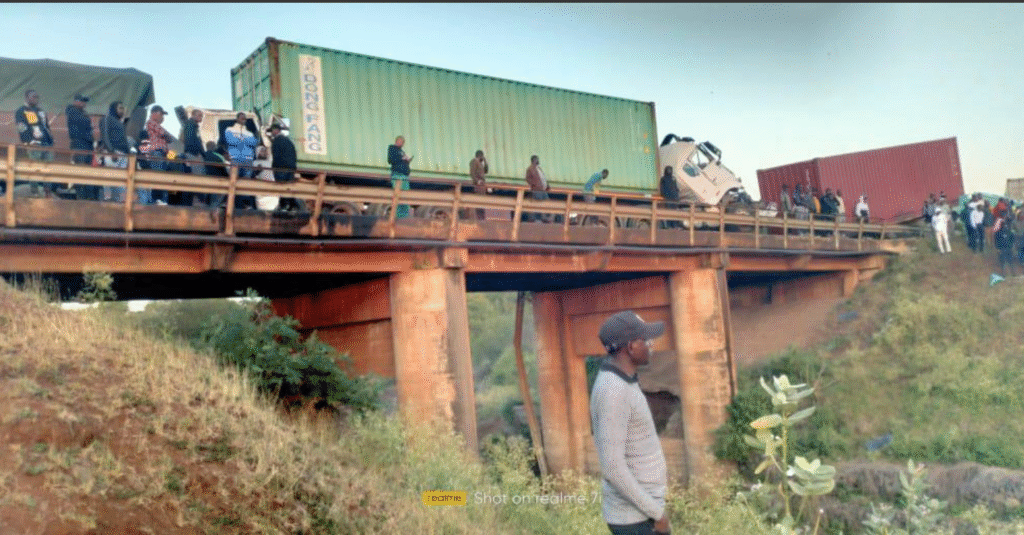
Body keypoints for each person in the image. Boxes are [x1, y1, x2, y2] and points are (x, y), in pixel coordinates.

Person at [590, 311, 671, 535]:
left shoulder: (623, 380)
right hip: (635, 521)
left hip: (641, 515)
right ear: (631, 347)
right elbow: (613, 468)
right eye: (646, 340)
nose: (651, 345)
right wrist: (657, 514)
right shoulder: (613, 391)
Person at [15, 89, 56, 195]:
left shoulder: (40, 111)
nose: (35, 99)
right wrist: (29, 141)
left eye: (36, 97)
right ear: (27, 98)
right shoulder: (23, 110)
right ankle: (35, 193)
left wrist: (50, 138)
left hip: (47, 144)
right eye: (33, 96)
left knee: (48, 169)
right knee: (35, 169)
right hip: (34, 145)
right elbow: (22, 128)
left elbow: (45, 126)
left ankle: (48, 192)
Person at [66, 93, 100, 200]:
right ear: (76, 101)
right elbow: (83, 123)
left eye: (84, 101)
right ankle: (81, 198)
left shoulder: (82, 113)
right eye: (82, 101)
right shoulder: (72, 111)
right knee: (81, 172)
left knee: (88, 173)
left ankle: (88, 197)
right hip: (79, 145)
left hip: (87, 144)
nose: (84, 103)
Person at [139, 105, 174, 205]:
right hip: (156, 152)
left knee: (162, 177)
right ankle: (157, 200)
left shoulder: (157, 125)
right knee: (158, 177)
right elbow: (166, 135)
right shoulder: (151, 123)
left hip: (162, 154)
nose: (163, 117)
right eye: (161, 114)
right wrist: (166, 136)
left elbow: (169, 139)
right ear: (154, 113)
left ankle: (161, 200)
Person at [98, 101, 130, 202]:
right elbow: (105, 135)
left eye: (123, 108)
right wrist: (111, 151)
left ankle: (121, 203)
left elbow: (124, 139)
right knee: (109, 179)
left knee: (122, 180)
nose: (122, 110)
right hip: (113, 153)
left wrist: (128, 154)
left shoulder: (120, 122)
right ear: (114, 108)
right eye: (120, 108)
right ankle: (107, 201)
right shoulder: (106, 118)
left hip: (123, 154)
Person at [268, 123, 300, 211]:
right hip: (291, 168)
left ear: (276, 130)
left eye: (272, 130)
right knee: (289, 187)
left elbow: (276, 156)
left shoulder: (277, 141)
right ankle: (293, 206)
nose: (272, 132)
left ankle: (283, 206)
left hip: (281, 168)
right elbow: (294, 154)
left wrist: (274, 168)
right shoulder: (288, 141)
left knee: (281, 187)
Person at [225, 112, 260, 179]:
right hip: (235, 158)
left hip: (248, 159)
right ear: (237, 119)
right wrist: (246, 140)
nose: (244, 119)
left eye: (245, 118)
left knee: (246, 182)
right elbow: (231, 141)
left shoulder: (250, 133)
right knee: (234, 179)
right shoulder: (229, 129)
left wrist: (240, 139)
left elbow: (254, 143)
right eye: (242, 117)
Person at [387, 135, 413, 219]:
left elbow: (402, 160)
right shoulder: (392, 148)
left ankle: (404, 217)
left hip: (404, 175)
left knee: (405, 196)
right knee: (397, 195)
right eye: (399, 141)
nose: (400, 143)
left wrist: (407, 160)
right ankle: (397, 216)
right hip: (397, 174)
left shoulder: (401, 151)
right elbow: (391, 160)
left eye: (402, 142)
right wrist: (402, 158)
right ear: (396, 141)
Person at [524, 155, 551, 223]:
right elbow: (528, 179)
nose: (538, 161)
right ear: (533, 160)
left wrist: (546, 184)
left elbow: (543, 178)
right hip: (537, 189)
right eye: (536, 159)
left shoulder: (539, 168)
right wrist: (534, 184)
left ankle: (546, 218)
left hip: (543, 189)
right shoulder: (530, 169)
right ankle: (538, 219)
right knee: (538, 203)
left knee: (547, 202)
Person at [252, 145, 279, 211]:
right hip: (261, 189)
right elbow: (255, 174)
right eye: (261, 151)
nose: (263, 153)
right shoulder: (255, 162)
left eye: (264, 151)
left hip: (271, 187)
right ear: (258, 153)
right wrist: (258, 170)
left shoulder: (270, 161)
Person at [469, 149, 489, 220]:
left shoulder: (480, 163)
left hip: (482, 185)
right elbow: (472, 173)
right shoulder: (474, 162)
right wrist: (477, 181)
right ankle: (479, 218)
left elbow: (486, 171)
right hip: (478, 184)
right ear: (479, 156)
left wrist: (485, 162)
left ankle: (482, 217)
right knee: (479, 201)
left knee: (482, 201)